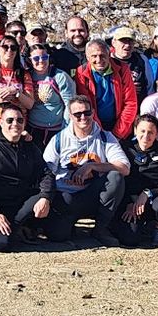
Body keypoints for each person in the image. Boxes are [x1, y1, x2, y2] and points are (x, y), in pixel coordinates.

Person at [42, 94, 128, 246]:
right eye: (77, 114)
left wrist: (91, 166)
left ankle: (101, 228)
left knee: (116, 177)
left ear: (93, 113)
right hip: (66, 195)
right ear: (70, 116)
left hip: (93, 194)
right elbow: (45, 172)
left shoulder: (105, 137)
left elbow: (125, 168)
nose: (83, 117)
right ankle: (69, 224)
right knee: (57, 235)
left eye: (87, 113)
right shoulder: (59, 139)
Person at [0, 105, 57, 252]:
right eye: (10, 120)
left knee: (53, 203)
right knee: (3, 244)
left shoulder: (29, 145)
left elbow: (46, 173)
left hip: (18, 201)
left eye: (19, 120)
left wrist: (45, 197)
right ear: (1, 122)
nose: (15, 124)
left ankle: (17, 226)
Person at [117, 113, 158, 248]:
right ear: (135, 131)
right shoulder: (125, 149)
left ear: (156, 134)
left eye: (151, 132)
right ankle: (138, 228)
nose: (146, 136)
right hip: (130, 204)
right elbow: (118, 180)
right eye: (142, 131)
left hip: (154, 200)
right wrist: (129, 202)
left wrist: (148, 193)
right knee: (130, 239)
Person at [72, 39, 138, 139]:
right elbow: (87, 106)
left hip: (119, 125)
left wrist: (117, 134)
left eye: (102, 55)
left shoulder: (122, 69)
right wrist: (100, 132)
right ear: (87, 57)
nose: (99, 60)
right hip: (94, 127)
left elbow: (130, 102)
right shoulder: (82, 72)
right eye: (94, 56)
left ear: (109, 54)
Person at [27, 44, 75, 147]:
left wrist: (66, 128)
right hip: (32, 128)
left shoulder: (59, 76)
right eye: (36, 58)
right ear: (29, 60)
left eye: (44, 57)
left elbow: (70, 104)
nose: (41, 61)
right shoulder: (27, 76)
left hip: (56, 129)